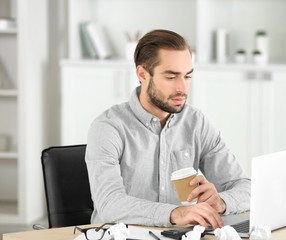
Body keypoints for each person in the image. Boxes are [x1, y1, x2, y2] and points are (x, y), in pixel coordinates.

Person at [85, 29, 251, 229]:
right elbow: (109, 204)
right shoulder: (108, 127)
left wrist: (222, 202)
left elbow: (246, 187)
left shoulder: (196, 122)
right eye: (171, 77)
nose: (182, 88)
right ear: (142, 73)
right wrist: (174, 213)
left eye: (187, 76)